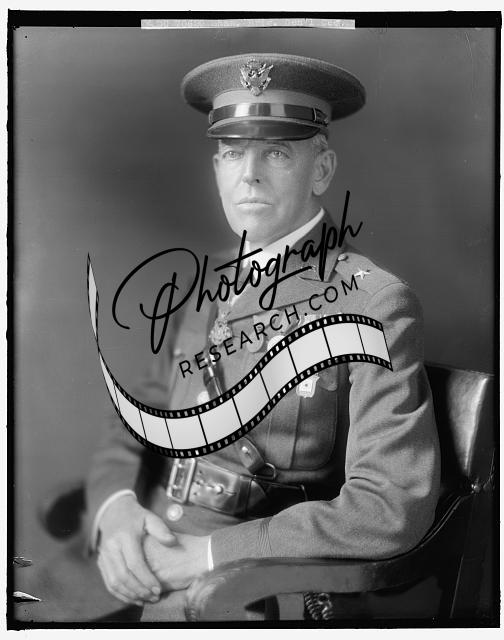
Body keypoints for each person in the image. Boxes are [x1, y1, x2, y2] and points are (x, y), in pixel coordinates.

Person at [15, 53, 440, 623]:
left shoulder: (372, 302)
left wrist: (208, 556)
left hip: (242, 583)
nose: (249, 175)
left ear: (321, 170)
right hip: (135, 544)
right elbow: (138, 415)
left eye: (277, 153)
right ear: (217, 166)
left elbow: (388, 506)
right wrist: (115, 511)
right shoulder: (207, 281)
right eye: (234, 153)